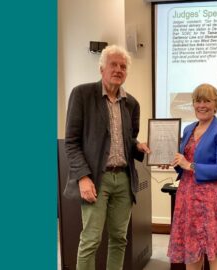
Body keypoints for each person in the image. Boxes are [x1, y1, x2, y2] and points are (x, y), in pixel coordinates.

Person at [63, 44, 150, 270]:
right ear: (102, 68)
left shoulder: (131, 103)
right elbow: (71, 142)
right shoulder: (82, 94)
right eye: (113, 64)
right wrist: (82, 177)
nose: (118, 70)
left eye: (123, 66)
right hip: (94, 180)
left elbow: (128, 140)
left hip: (123, 179)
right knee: (91, 240)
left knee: (119, 239)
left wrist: (139, 146)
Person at [167, 83, 217, 270]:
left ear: (216, 104)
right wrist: (172, 161)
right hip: (187, 196)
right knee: (191, 247)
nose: (202, 105)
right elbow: (184, 164)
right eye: (198, 101)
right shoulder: (188, 129)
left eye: (207, 100)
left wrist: (189, 165)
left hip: (211, 199)